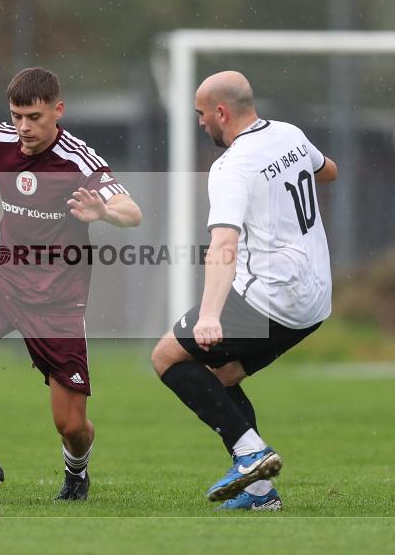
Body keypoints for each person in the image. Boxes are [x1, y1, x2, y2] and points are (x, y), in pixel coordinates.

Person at [0, 67, 142, 503]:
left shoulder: (78, 159)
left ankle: (76, 473)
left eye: (33, 116)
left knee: (71, 426)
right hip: (3, 274)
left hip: (57, 299)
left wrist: (103, 213)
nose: (23, 127)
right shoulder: (3, 139)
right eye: (16, 116)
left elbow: (132, 211)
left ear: (57, 110)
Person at [151, 71, 337, 511]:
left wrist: (211, 314)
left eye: (200, 114)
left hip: (271, 296)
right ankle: (258, 492)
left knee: (166, 357)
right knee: (219, 377)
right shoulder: (289, 134)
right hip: (316, 299)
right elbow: (327, 170)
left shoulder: (232, 166)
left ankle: (251, 454)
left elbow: (224, 244)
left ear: (221, 112)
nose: (199, 123)